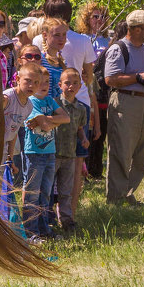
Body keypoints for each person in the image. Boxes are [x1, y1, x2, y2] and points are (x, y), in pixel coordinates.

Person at [40, 0, 99, 218]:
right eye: (58, 35)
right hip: (58, 113)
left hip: (71, 111)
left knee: (67, 166)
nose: (62, 39)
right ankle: (56, 214)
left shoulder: (55, 50)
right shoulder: (79, 41)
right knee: (62, 167)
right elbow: (89, 76)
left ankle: (65, 215)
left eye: (63, 35)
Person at [103, 10, 144, 205]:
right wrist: (137, 77)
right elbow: (110, 78)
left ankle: (127, 192)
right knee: (121, 150)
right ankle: (115, 197)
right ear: (136, 29)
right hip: (125, 102)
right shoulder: (119, 49)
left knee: (141, 152)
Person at [22, 67, 68, 241]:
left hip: (50, 153)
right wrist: (51, 121)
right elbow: (48, 124)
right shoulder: (31, 102)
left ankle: (43, 230)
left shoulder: (50, 101)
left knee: (45, 194)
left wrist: (47, 120)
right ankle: (30, 232)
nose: (43, 85)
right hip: (34, 153)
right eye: (38, 82)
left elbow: (66, 118)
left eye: (47, 82)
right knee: (32, 194)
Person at [0, 60, 41, 224]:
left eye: (36, 82)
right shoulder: (7, 98)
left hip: (3, 149)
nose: (31, 85)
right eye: (28, 80)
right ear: (17, 78)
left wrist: (10, 158)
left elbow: (14, 131)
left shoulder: (29, 106)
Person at [77, 2, 110, 178]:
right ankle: (84, 169)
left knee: (101, 129)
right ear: (87, 19)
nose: (99, 20)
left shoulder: (109, 40)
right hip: (86, 86)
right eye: (95, 16)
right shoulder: (83, 39)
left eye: (102, 17)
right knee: (86, 128)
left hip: (104, 89)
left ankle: (97, 169)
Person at [54, 68, 88, 232]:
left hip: (70, 154)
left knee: (66, 190)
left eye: (75, 83)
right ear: (60, 85)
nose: (71, 86)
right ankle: (47, 218)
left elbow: (79, 127)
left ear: (80, 86)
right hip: (52, 154)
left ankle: (67, 220)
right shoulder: (55, 104)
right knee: (47, 190)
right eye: (67, 83)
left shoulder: (81, 108)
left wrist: (83, 138)